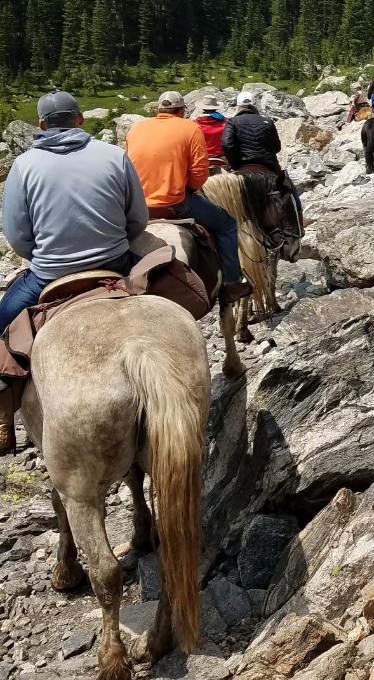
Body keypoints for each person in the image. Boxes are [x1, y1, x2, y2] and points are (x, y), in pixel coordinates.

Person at [0, 90, 150, 453]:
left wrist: (45, 257)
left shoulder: (24, 165)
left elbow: (17, 236)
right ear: (80, 119)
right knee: (168, 285)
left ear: (40, 125)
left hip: (49, 274)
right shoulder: (114, 155)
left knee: (2, 321)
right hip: (114, 262)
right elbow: (139, 219)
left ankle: (5, 414)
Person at [125, 91, 251, 304]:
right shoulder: (190, 127)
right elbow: (199, 173)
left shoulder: (136, 129)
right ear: (182, 110)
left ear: (159, 110)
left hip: (138, 207)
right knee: (227, 224)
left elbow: (126, 165)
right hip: (176, 204)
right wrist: (190, 187)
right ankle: (232, 282)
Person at [221, 91, 283, 175]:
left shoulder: (232, 121)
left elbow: (226, 145)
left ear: (238, 105)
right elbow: (277, 147)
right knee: (283, 184)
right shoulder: (268, 121)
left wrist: (234, 163)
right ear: (254, 105)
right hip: (268, 165)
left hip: (242, 164)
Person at [195, 96, 227, 168]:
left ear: (202, 108)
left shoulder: (195, 124)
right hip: (221, 157)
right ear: (216, 107)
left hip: (201, 158)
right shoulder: (226, 122)